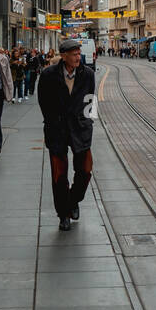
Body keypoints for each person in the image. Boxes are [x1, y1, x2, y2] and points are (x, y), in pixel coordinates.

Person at [38, 38, 96, 231]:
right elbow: (43, 102)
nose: (78, 57)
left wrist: (89, 122)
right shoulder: (48, 75)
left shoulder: (87, 74)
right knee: (59, 175)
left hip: (80, 129)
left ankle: (73, 200)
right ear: (63, 56)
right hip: (58, 129)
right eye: (74, 54)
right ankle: (63, 214)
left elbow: (90, 99)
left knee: (85, 170)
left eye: (79, 54)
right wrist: (51, 122)